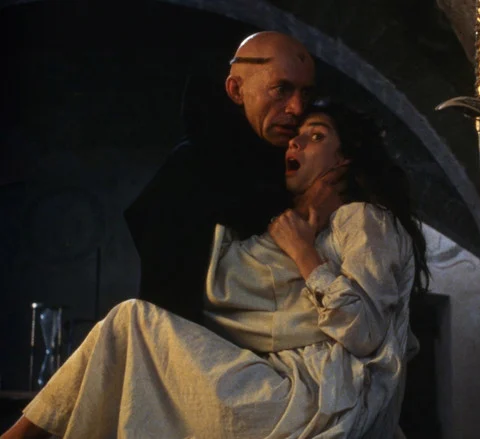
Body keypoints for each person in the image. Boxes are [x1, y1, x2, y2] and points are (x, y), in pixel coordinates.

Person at [1, 102, 429, 439]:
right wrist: (297, 232)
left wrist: (304, 253)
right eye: (295, 137)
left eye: (316, 136)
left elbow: (367, 332)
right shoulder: (300, 227)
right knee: (129, 332)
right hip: (284, 385)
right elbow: (226, 293)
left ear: (345, 160)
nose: (295, 144)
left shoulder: (365, 219)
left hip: (322, 405)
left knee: (131, 322)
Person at [124, 31, 341, 323]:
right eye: (281, 89)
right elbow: (171, 307)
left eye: (305, 93)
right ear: (236, 90)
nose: (297, 108)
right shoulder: (190, 170)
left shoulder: (294, 163)